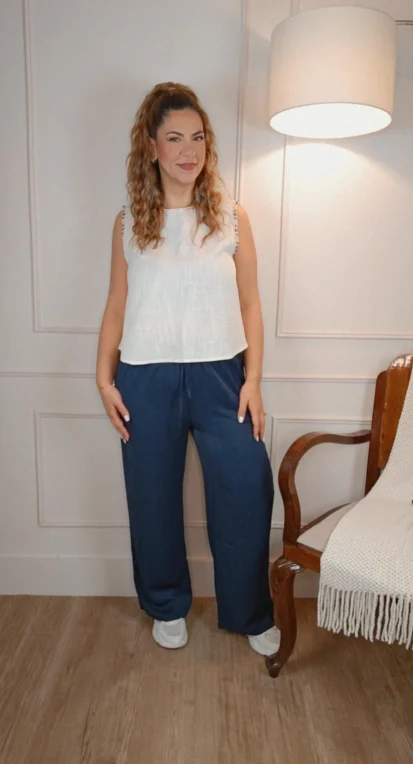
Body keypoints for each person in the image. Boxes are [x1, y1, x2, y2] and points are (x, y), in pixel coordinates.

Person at [96, 82, 280, 656]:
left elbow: (250, 302)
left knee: (246, 486)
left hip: (222, 374)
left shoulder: (231, 217)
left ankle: (249, 612)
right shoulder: (129, 223)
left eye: (197, 137)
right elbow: (117, 306)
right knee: (151, 496)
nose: (188, 150)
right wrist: (103, 378)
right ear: (151, 148)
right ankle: (166, 604)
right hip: (145, 376)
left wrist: (253, 380)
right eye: (174, 138)